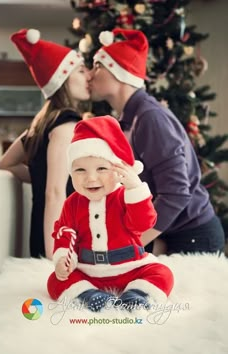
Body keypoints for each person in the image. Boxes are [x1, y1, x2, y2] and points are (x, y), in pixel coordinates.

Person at [88, 28, 225, 255]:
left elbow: (176, 193)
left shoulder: (149, 118)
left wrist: (130, 245)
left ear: (119, 73)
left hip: (194, 238)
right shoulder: (131, 119)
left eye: (97, 66)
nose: (90, 75)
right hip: (174, 235)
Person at [47, 115, 174, 312]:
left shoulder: (126, 196)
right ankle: (89, 296)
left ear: (119, 170)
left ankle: (138, 295)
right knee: (55, 281)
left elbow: (143, 224)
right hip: (87, 270)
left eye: (101, 168)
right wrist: (63, 257)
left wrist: (135, 189)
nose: (91, 178)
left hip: (130, 266)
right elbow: (64, 232)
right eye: (80, 170)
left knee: (162, 273)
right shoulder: (72, 203)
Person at [0, 28, 90, 259]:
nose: (88, 76)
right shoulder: (66, 124)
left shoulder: (43, 122)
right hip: (61, 239)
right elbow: (55, 193)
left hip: (48, 232)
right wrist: (54, 256)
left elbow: (6, 164)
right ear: (63, 80)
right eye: (80, 71)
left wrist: (42, 175)